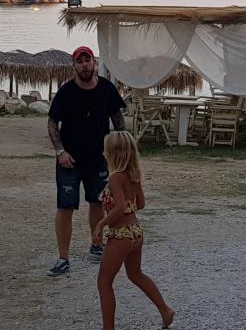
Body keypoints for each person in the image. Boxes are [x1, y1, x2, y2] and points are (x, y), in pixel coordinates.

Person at [46, 45, 126, 277]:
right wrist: (60, 151)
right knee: (65, 207)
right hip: (69, 161)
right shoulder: (66, 92)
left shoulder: (107, 89)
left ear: (94, 63)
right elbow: (52, 122)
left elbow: (119, 121)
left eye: (87, 60)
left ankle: (96, 246)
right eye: (79, 61)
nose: (84, 65)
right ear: (74, 65)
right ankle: (63, 258)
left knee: (97, 203)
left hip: (98, 160)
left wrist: (118, 150)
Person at [95, 131, 175, 330]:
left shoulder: (115, 177)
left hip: (120, 235)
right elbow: (141, 203)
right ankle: (165, 310)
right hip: (135, 231)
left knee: (104, 282)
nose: (103, 153)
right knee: (136, 274)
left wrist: (101, 224)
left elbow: (119, 208)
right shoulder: (133, 176)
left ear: (113, 153)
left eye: (106, 150)